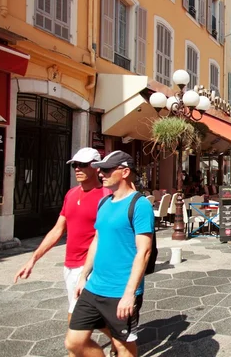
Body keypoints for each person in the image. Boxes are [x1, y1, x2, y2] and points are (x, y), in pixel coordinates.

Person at [14, 148, 113, 335]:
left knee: (75, 323)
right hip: (70, 265)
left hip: (91, 267)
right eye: (75, 165)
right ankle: (122, 343)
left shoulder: (106, 196)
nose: (77, 168)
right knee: (94, 319)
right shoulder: (71, 194)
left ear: (96, 167)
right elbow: (58, 230)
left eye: (83, 164)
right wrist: (32, 259)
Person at [65, 151, 155, 357]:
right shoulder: (104, 203)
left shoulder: (139, 205)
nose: (100, 173)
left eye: (106, 169)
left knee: (123, 346)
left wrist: (129, 294)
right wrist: (83, 275)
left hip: (120, 290)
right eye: (99, 169)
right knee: (74, 342)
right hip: (94, 286)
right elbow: (97, 240)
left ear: (124, 172)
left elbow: (144, 251)